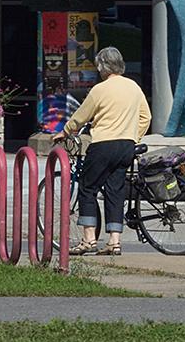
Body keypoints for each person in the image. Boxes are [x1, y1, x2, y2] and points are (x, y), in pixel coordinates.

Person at [53, 46, 151, 256]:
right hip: (126, 146)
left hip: (103, 145)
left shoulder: (99, 90)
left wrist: (65, 131)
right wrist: (134, 136)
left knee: (88, 188)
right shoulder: (133, 87)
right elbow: (146, 117)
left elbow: (81, 116)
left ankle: (89, 240)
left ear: (103, 67)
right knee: (115, 192)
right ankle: (114, 242)